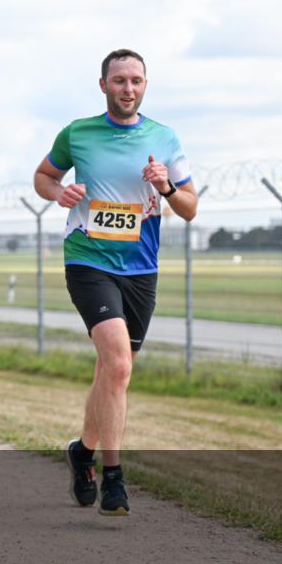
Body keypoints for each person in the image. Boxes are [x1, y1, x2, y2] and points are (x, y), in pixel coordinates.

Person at [33, 49, 198, 516]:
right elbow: (43, 176)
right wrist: (59, 191)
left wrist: (166, 188)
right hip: (88, 259)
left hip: (140, 268)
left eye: (136, 81)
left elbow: (190, 208)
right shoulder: (78, 133)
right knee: (120, 366)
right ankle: (114, 477)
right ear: (103, 84)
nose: (128, 88)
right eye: (120, 80)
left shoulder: (164, 138)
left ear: (145, 85)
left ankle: (82, 451)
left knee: (111, 372)